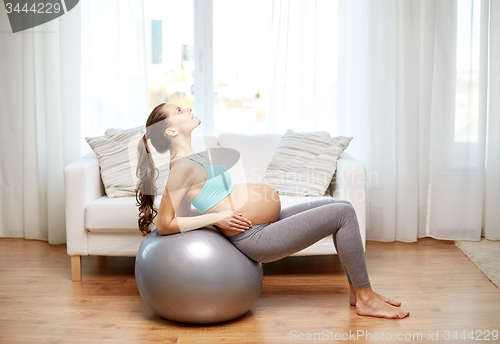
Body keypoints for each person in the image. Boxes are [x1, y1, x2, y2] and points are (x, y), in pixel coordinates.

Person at [135, 103, 410, 319]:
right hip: (254, 238)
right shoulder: (181, 166)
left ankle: (358, 291)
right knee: (343, 215)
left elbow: (189, 211)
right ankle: (366, 299)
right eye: (179, 111)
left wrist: (213, 216)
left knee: (344, 207)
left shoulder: (192, 158)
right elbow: (166, 223)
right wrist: (217, 218)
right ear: (170, 131)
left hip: (265, 222)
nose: (188, 109)